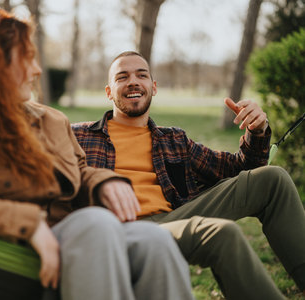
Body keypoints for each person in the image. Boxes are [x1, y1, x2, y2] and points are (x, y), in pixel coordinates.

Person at [0, 9, 194, 300]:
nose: (36, 70)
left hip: (76, 237)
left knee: (154, 239)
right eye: (25, 58)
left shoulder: (52, 120)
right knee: (96, 224)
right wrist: (27, 224)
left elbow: (80, 172)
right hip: (10, 252)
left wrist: (104, 182)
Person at [72, 50, 305, 298]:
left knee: (272, 179)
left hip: (175, 220)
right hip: (117, 229)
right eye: (122, 77)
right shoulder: (79, 136)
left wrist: (257, 131)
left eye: (142, 75)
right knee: (223, 234)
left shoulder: (174, 139)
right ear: (108, 91)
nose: (133, 81)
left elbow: (240, 168)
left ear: (153, 86)